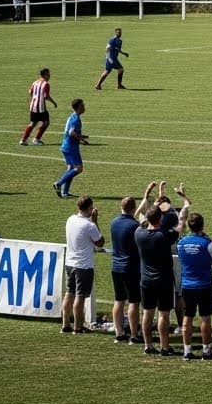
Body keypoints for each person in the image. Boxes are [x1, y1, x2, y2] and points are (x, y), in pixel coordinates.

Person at [136, 191, 190, 355]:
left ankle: (148, 345)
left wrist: (153, 205)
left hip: (146, 279)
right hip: (164, 280)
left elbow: (140, 219)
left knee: (147, 313)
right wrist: (180, 209)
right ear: (160, 218)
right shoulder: (165, 236)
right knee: (163, 315)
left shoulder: (139, 234)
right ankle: (164, 346)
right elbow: (180, 225)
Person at [62, 195, 104, 334]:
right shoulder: (89, 225)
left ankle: (66, 324)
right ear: (90, 208)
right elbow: (100, 242)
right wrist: (95, 221)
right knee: (80, 296)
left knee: (69, 293)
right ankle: (78, 326)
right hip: (83, 265)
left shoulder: (70, 219)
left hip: (70, 262)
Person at [110, 193, 148, 344]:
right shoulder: (134, 226)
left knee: (119, 300)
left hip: (116, 266)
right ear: (133, 209)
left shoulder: (114, 222)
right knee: (134, 301)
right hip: (131, 268)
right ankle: (133, 334)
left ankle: (119, 332)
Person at [178, 209, 212, 361]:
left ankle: (187, 350)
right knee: (205, 318)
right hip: (204, 285)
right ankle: (206, 350)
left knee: (187, 317)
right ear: (202, 226)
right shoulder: (207, 244)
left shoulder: (181, 243)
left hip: (187, 285)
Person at [53, 98, 88, 198]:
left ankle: (65, 192)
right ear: (78, 107)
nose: (84, 107)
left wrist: (81, 140)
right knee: (79, 168)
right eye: (82, 106)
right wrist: (81, 137)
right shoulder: (76, 119)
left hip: (66, 146)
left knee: (71, 168)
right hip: (71, 147)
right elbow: (71, 133)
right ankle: (59, 183)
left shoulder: (72, 117)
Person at [20, 68, 58, 146]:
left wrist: (35, 98)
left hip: (33, 106)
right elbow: (46, 96)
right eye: (48, 74)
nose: (49, 76)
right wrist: (54, 102)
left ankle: (23, 140)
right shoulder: (46, 84)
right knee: (46, 123)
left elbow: (30, 92)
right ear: (44, 75)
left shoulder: (35, 82)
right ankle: (36, 139)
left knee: (33, 123)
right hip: (41, 108)